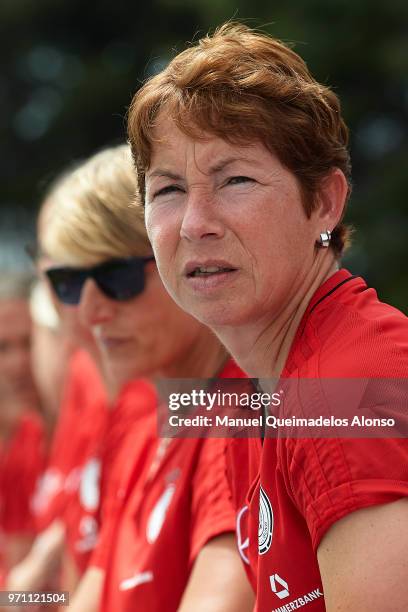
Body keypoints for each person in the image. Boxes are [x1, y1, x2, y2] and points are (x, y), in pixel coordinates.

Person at [127, 22, 408, 611]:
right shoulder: (259, 393)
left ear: (325, 203)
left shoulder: (346, 390)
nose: (194, 223)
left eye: (235, 180)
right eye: (168, 190)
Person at [35, 144, 254, 612]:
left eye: (118, 277)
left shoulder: (241, 418)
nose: (89, 311)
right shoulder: (146, 420)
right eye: (68, 284)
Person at [0, 272, 46, 582]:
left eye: (29, 343)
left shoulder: (34, 441)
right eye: (2, 348)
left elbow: (34, 597)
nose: (19, 363)